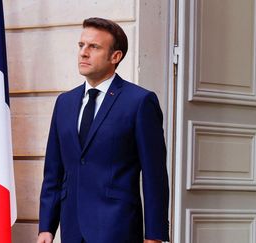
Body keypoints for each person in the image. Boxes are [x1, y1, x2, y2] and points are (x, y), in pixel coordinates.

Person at [37, 17, 169, 243]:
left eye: (94, 47)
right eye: (81, 45)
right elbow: (54, 172)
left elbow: (154, 175)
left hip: (117, 228)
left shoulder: (139, 102)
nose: (83, 53)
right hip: (72, 230)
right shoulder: (64, 103)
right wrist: (46, 227)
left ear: (115, 57)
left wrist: (154, 236)